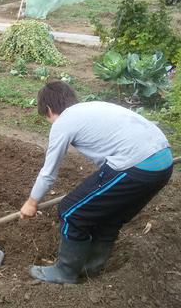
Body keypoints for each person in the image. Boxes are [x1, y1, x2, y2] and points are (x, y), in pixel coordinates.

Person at [20, 81, 173, 284]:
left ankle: (65, 272)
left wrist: (32, 202)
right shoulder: (92, 108)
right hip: (163, 162)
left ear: (48, 109)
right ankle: (93, 266)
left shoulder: (63, 122)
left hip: (136, 165)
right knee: (112, 214)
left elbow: (48, 173)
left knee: (70, 212)